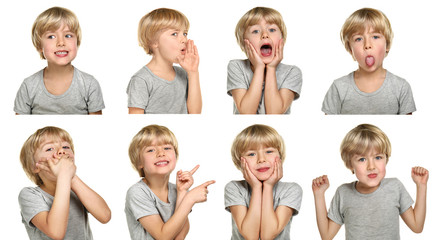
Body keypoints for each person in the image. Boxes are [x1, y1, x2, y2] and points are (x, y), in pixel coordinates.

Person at [312, 124, 428, 239]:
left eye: (378, 157)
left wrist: (421, 185)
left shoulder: (395, 187)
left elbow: (417, 227)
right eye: (362, 159)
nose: (371, 166)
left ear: (386, 159)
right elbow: (326, 235)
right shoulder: (343, 193)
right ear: (350, 164)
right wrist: (319, 195)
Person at [18, 126, 111, 240]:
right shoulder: (30, 194)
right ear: (35, 167)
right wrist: (64, 175)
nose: (61, 151)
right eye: (49, 149)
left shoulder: (77, 191)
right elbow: (56, 233)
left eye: (66, 147)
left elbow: (105, 216)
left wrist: (71, 177)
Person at [125, 125, 215, 239]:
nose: (161, 153)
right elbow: (163, 237)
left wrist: (182, 192)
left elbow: (179, 236)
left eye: (167, 148)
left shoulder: (175, 189)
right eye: (151, 150)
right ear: (139, 163)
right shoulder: (137, 192)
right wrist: (189, 199)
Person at [322, 8, 416, 114]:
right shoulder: (338, 88)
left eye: (375, 37)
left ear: (387, 45)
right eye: (358, 39)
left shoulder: (401, 87)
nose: (367, 45)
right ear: (350, 50)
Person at [14, 7, 105, 115]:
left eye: (68, 35)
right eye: (51, 36)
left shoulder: (89, 84)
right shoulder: (28, 86)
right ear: (39, 46)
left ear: (77, 42)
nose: (61, 42)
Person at [225, 124, 302, 239]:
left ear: (280, 156)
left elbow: (268, 236)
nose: (261, 159)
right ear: (241, 162)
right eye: (251, 154)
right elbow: (250, 236)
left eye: (269, 151)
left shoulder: (291, 189)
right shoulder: (234, 187)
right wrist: (256, 187)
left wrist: (268, 186)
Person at [227, 7, 302, 114]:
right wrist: (259, 68)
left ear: (282, 40)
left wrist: (271, 68)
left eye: (272, 30)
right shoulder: (236, 66)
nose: (265, 35)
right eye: (255, 31)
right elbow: (246, 113)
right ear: (245, 44)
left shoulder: (291, 72)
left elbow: (274, 114)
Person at [127, 8, 202, 114]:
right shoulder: (141, 79)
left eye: (185, 33)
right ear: (153, 42)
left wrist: (193, 72)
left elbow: (195, 114)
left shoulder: (184, 74)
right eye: (174, 34)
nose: (184, 39)